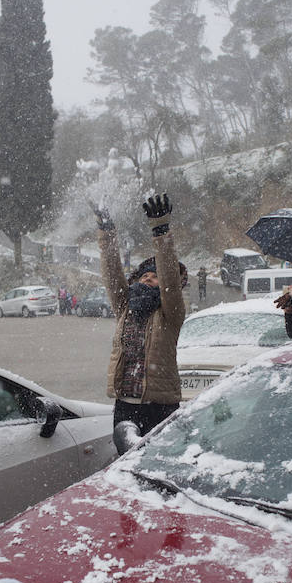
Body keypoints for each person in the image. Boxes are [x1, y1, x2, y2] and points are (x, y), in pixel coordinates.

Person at [93, 194, 188, 453]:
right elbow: (113, 274)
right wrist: (106, 231)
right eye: (144, 275)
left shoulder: (170, 313)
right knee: (126, 466)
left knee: (160, 465)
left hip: (160, 406)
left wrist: (161, 231)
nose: (148, 279)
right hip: (125, 405)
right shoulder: (126, 307)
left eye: (154, 277)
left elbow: (169, 276)